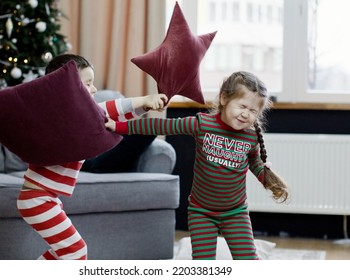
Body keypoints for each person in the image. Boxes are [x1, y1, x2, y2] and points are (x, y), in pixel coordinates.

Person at [106, 71, 288, 260]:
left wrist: (270, 181)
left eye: (253, 111)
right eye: (242, 106)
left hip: (235, 213)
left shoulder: (250, 137)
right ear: (224, 98)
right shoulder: (202, 124)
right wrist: (119, 126)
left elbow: (254, 163)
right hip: (202, 213)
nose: (245, 114)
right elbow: (160, 126)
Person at [16, 54, 167, 260]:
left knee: (65, 252)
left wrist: (145, 106)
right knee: (76, 251)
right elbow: (105, 111)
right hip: (37, 200)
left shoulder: (76, 118)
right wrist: (143, 101)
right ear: (67, 88)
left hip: (45, 199)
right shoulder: (63, 118)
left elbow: (108, 115)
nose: (94, 89)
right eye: (88, 84)